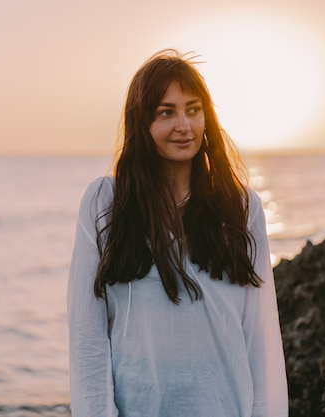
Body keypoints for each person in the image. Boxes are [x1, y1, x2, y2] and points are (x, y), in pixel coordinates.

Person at [67, 49, 288, 417]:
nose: (184, 124)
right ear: (141, 123)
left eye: (193, 109)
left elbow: (259, 336)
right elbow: (87, 337)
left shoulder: (241, 206)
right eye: (166, 112)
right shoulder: (105, 202)